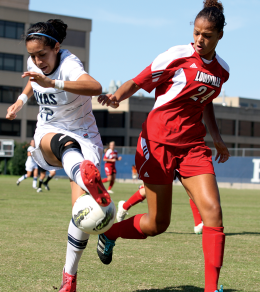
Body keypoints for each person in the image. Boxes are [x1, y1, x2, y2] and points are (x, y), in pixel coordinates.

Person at [97, 1, 229, 291]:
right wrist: (117, 96)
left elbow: (204, 103)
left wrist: (216, 137)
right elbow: (138, 80)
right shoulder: (176, 55)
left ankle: (212, 288)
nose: (199, 40)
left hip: (193, 147)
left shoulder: (222, 71)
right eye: (196, 33)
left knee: (214, 214)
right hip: (157, 144)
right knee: (158, 224)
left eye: (207, 35)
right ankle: (110, 234)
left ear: (220, 35)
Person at [6, 19, 112, 292]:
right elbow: (32, 81)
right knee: (62, 144)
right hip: (49, 133)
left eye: (42, 54)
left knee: (81, 214)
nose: (37, 61)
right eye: (32, 55)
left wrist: (55, 82)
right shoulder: (36, 64)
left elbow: (96, 87)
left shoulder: (69, 64)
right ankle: (84, 174)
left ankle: (69, 278)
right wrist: (21, 100)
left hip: (84, 136)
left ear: (57, 47)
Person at [117, 181, 204, 234]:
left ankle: (198, 223)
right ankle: (124, 207)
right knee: (150, 190)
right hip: (161, 155)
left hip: (180, 154)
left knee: (192, 187)